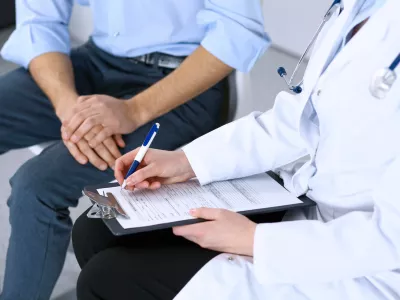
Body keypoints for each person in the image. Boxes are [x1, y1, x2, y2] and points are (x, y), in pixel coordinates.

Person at [72, 0, 400, 299]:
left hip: (365, 263)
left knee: (107, 280)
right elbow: (298, 118)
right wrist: (186, 162)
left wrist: (255, 241)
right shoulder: (360, 8)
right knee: (99, 228)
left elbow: (390, 239)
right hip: (312, 200)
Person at [0, 1, 269, 299]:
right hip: (97, 62)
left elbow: (238, 30)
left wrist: (134, 111)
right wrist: (71, 110)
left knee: (36, 185)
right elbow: (40, 20)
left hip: (186, 82)